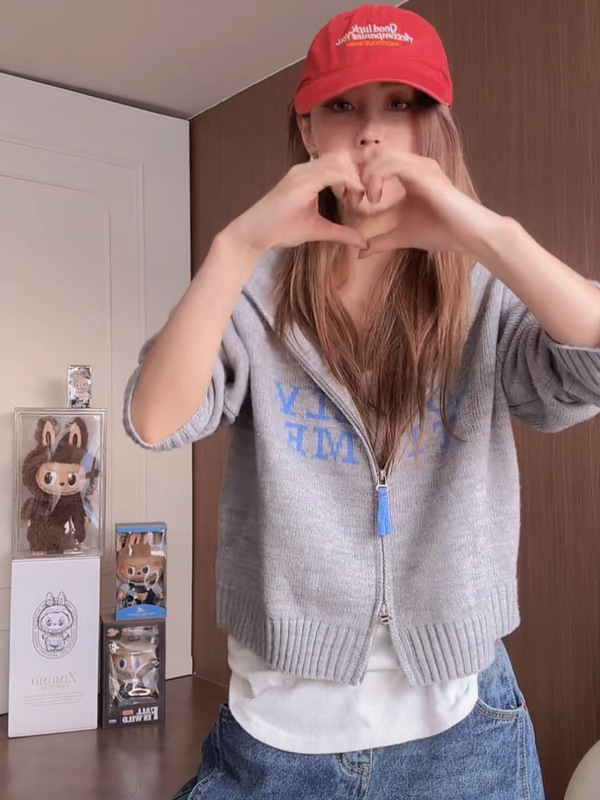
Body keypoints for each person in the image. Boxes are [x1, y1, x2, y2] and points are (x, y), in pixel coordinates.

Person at [124, 5, 600, 799]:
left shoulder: (482, 293)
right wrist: (236, 247)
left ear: (433, 129)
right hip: (274, 741)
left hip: (464, 734)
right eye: (343, 105)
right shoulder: (255, 295)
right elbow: (154, 418)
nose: (372, 134)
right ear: (307, 129)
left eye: (400, 104)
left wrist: (487, 238)